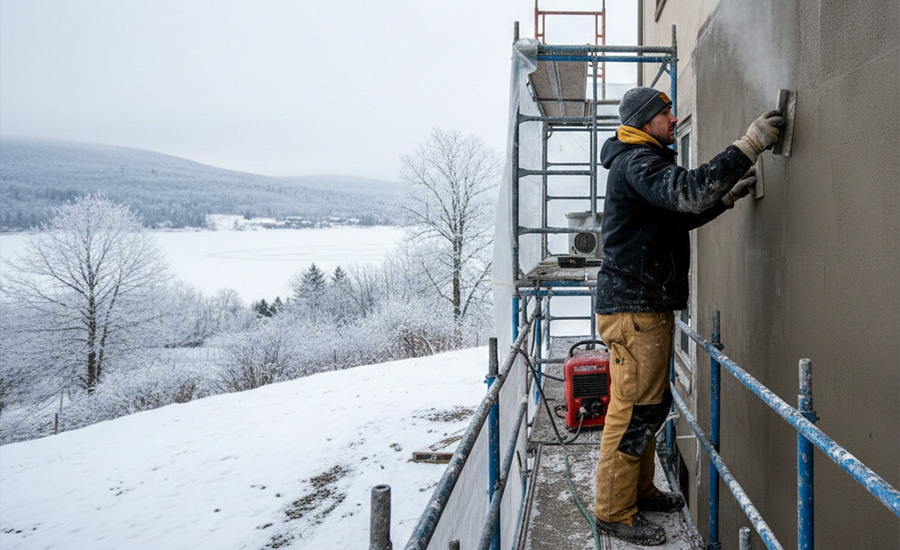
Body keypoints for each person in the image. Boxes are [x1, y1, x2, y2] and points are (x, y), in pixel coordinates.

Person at [592, 86, 783, 545]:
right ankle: (614, 510)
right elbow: (688, 191)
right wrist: (749, 145)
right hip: (635, 310)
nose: (674, 119)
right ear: (644, 120)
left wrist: (725, 197)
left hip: (640, 308)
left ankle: (636, 492)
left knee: (649, 406)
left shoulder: (640, 162)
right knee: (634, 409)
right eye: (666, 113)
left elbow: (677, 212)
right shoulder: (638, 162)